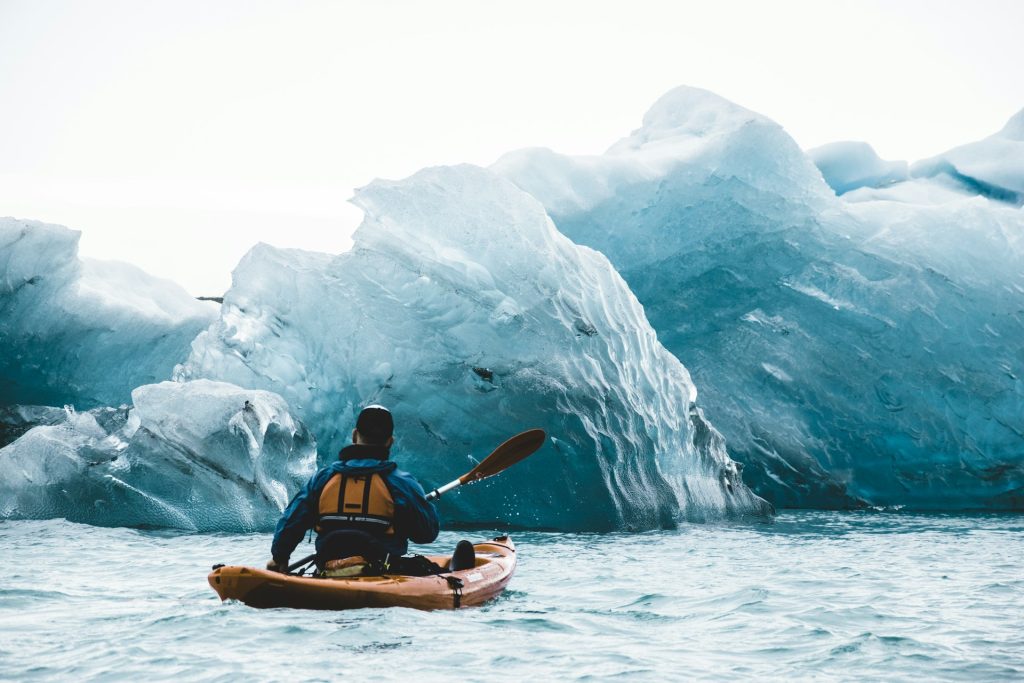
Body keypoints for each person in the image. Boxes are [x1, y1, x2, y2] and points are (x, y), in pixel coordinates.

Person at [266, 405, 440, 573]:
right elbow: (426, 534)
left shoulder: (322, 479)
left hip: (328, 566)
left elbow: (292, 521)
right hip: (384, 570)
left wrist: (280, 557)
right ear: (390, 441)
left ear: (355, 435)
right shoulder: (401, 483)